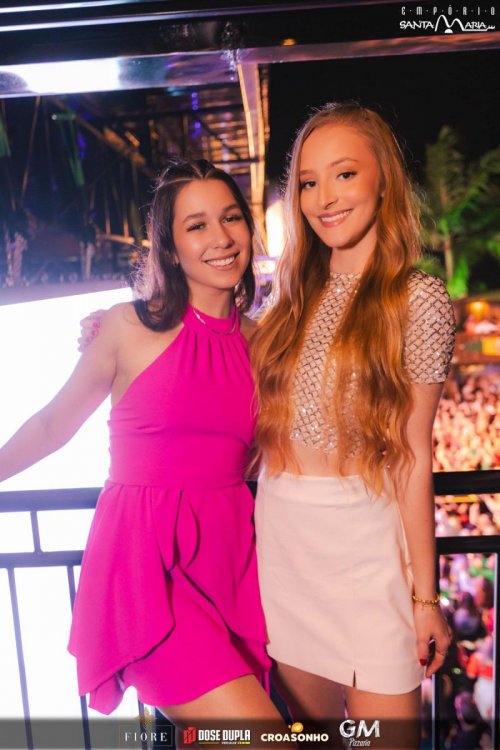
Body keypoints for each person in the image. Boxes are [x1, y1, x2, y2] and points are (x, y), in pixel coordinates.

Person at [0, 159, 290, 741]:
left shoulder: (264, 347)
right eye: (197, 225)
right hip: (146, 573)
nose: (220, 237)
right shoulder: (124, 327)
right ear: (170, 247)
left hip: (232, 563)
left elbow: (269, 457)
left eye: (230, 218)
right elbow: (54, 424)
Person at [250, 102, 455, 748]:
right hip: (286, 554)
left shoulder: (418, 298)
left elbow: (414, 456)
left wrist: (426, 598)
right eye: (308, 182)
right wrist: (124, 321)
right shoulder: (285, 301)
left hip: (368, 560)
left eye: (344, 174)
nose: (324, 198)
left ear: (383, 179)